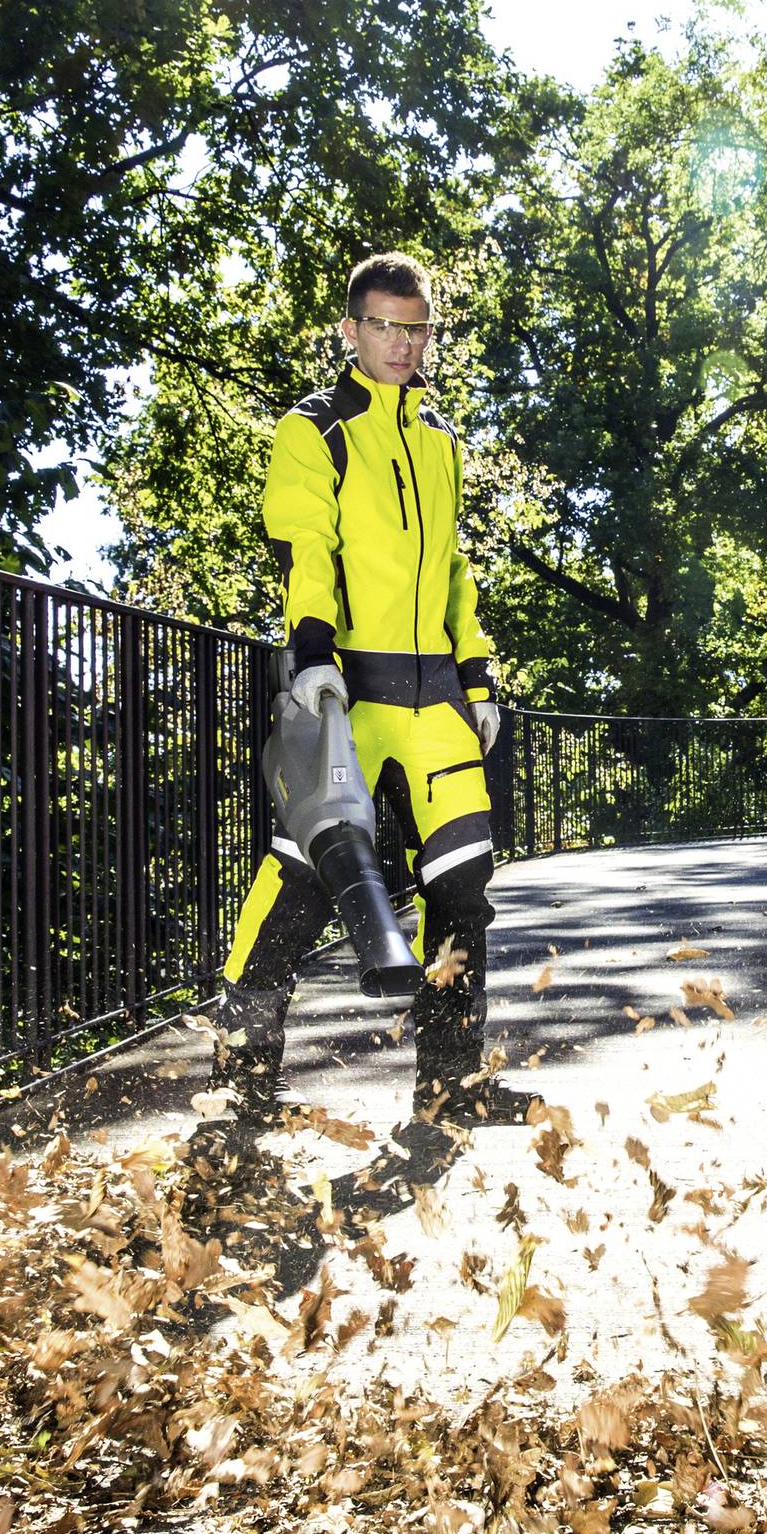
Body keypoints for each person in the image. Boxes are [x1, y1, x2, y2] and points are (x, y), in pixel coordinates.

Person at [217, 250, 510, 1115]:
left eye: (416, 328)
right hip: (345, 697)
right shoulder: (314, 429)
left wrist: (479, 675)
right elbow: (308, 543)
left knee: (462, 889)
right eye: (384, 325)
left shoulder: (440, 440)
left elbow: (453, 569)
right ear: (351, 330)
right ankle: (241, 1086)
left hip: (438, 705)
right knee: (302, 891)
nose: (402, 343)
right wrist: (310, 652)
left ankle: (450, 1085)